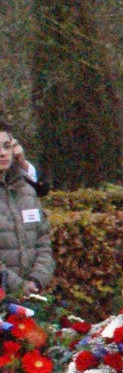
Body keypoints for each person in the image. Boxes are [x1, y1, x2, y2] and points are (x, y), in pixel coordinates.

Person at [0, 125, 53, 296]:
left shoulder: (26, 190)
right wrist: (18, 286)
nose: (2, 153)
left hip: (31, 296)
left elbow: (43, 239)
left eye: (6, 146)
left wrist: (37, 279)